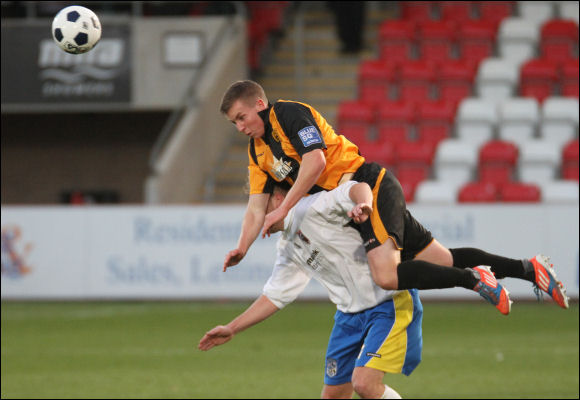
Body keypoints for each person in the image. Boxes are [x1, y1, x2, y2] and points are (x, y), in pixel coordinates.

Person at [219, 80, 569, 312]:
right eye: (234, 122)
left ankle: (475, 279)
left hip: (367, 185)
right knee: (442, 260)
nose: (240, 127)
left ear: (260, 104)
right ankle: (528, 269)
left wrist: (284, 210)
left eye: (241, 117)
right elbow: (255, 208)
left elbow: (316, 161)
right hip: (354, 203)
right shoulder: (257, 151)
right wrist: (242, 247)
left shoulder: (288, 114)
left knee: (385, 275)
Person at [202, 180, 491, 398]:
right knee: (333, 396)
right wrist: (232, 328)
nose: (255, 217)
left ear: (279, 197)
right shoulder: (288, 248)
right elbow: (274, 296)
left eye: (259, 206)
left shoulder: (313, 206)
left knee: (364, 383)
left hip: (386, 306)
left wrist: (364, 204)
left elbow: (357, 187)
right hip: (348, 317)